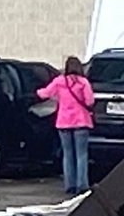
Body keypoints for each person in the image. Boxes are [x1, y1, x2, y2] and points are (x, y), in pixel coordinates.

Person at [37, 56, 95, 196]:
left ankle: (70, 185)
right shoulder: (83, 82)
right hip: (81, 121)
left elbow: (44, 93)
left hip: (63, 122)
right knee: (81, 154)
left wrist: (36, 91)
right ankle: (82, 185)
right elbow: (89, 101)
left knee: (67, 154)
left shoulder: (59, 81)